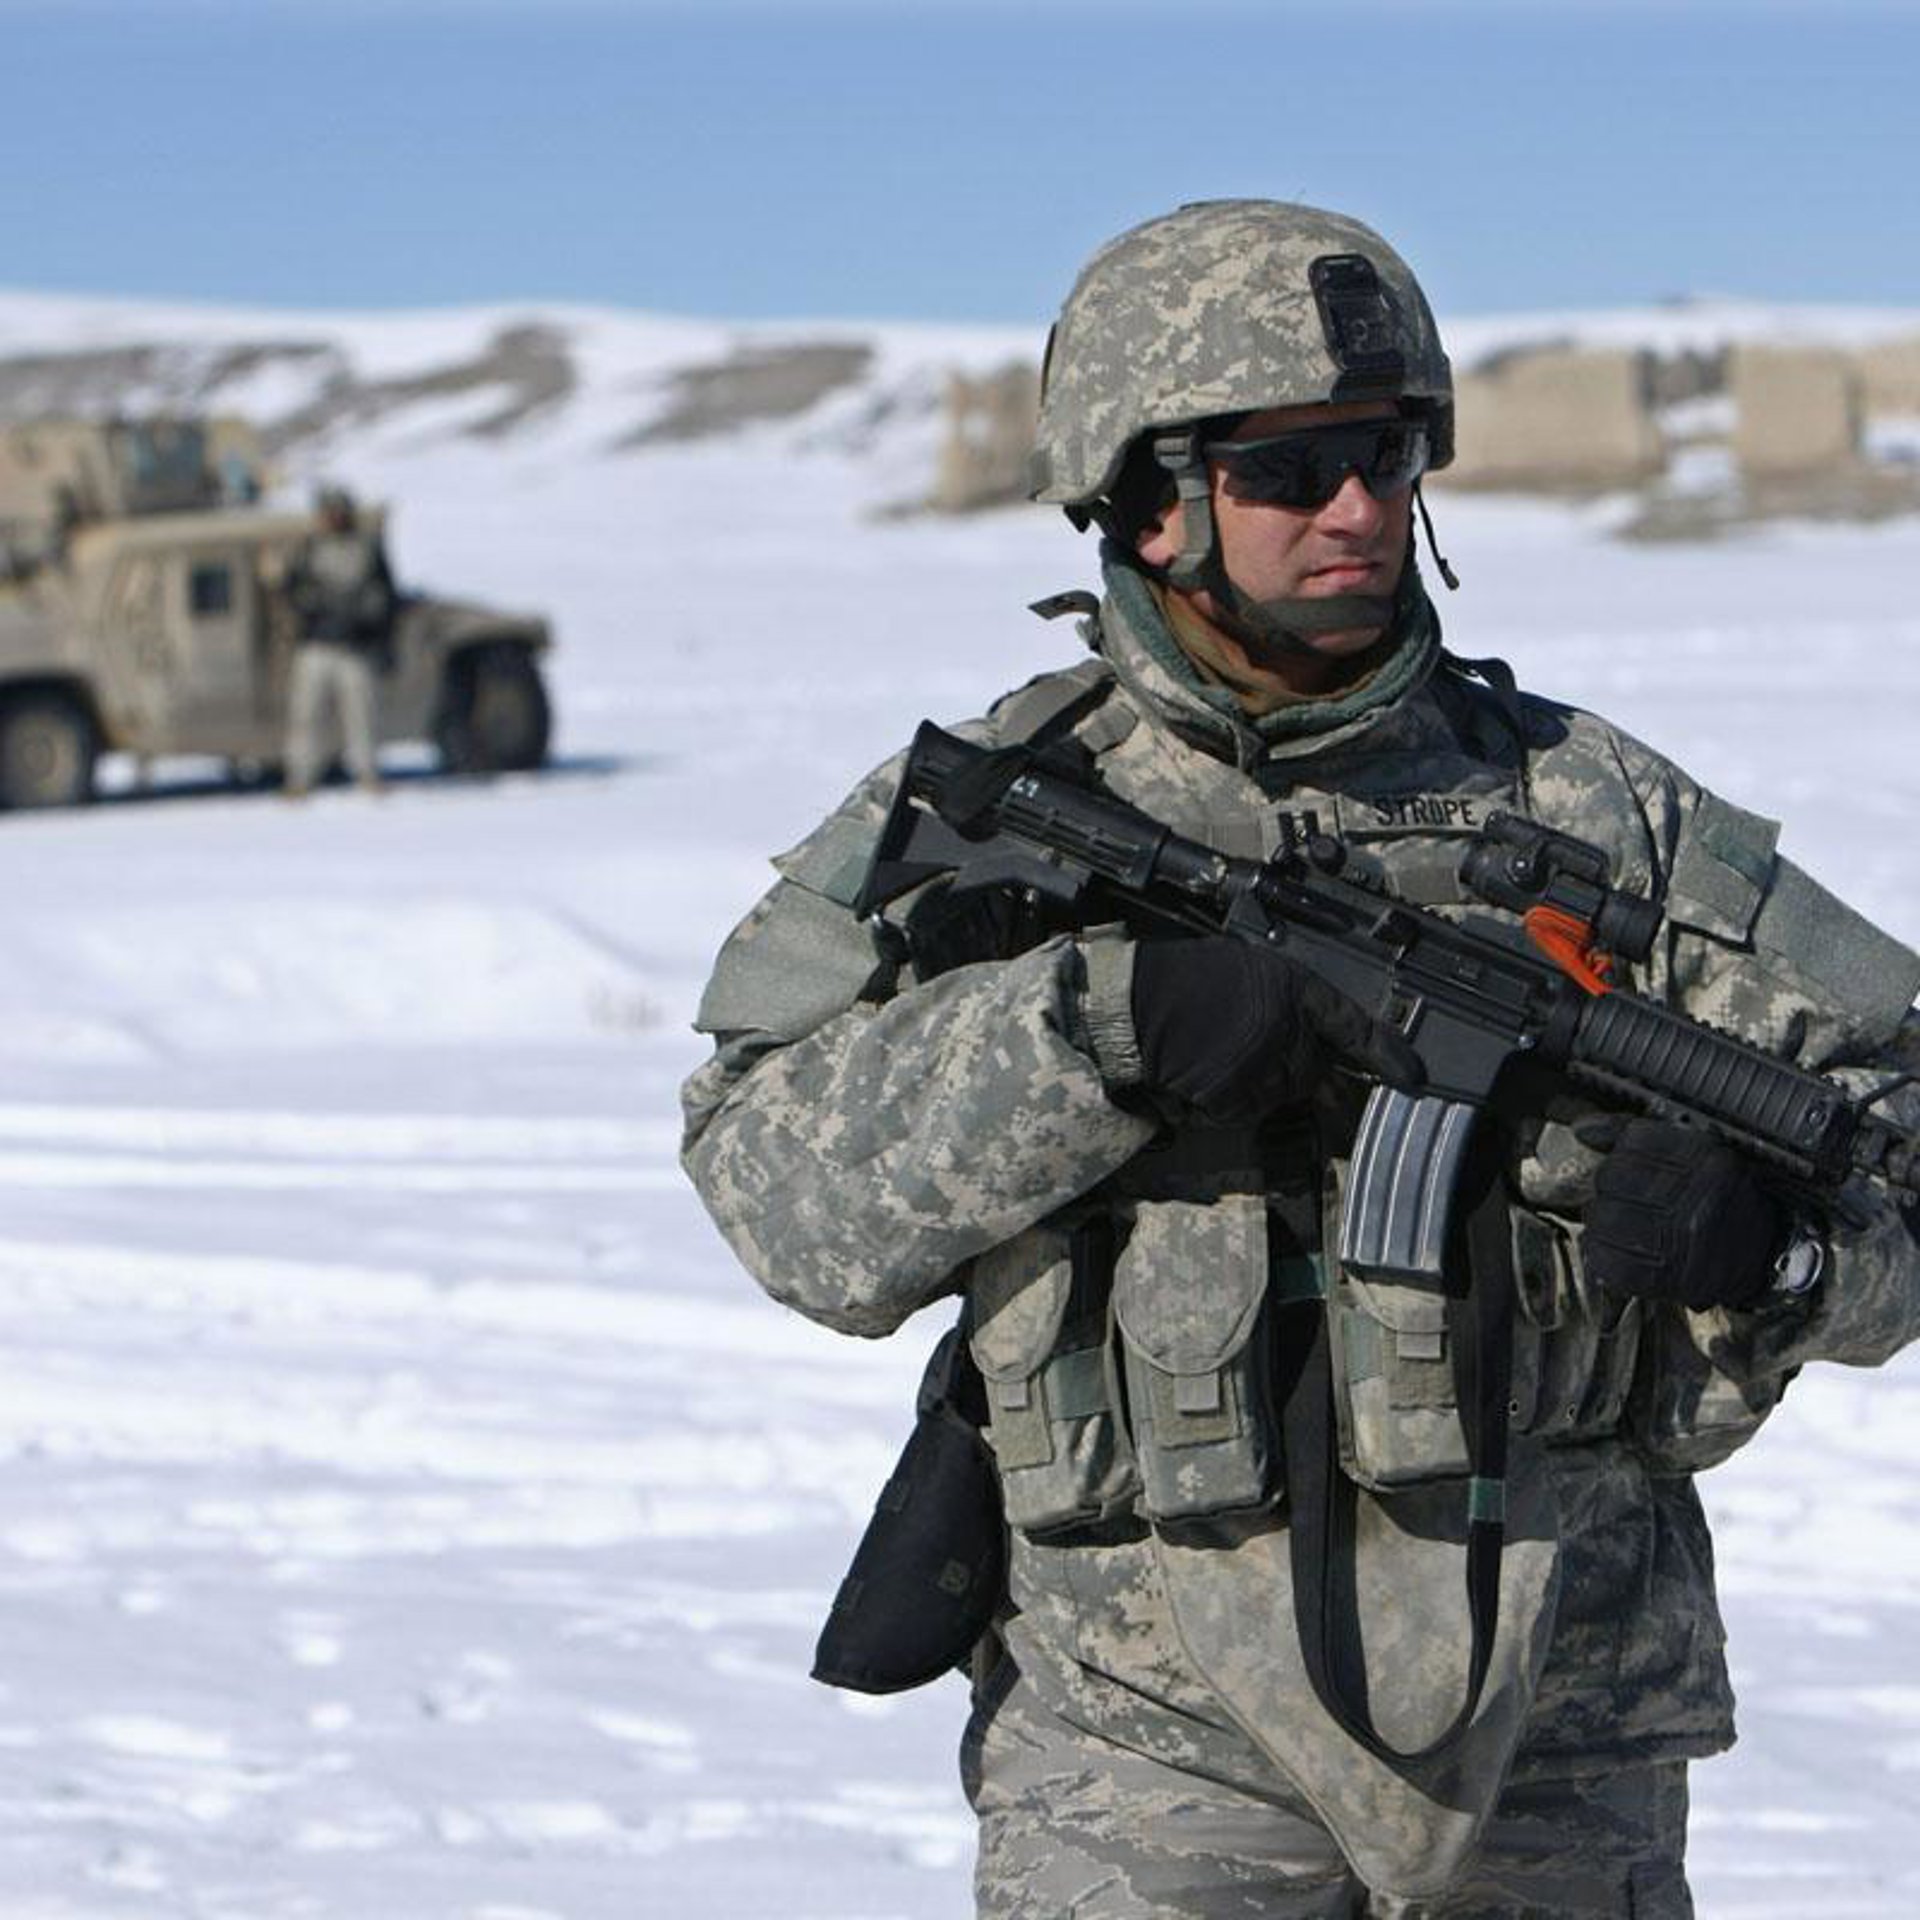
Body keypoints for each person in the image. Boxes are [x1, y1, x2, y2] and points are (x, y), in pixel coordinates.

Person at [679, 201, 1920, 1917]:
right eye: (1288, 469)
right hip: (1142, 1744)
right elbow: (780, 1198)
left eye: (1388, 455)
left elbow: (1897, 1135)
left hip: (1561, 1725)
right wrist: (1090, 1033)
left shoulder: (1595, 813)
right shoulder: (1010, 807)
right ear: (1143, 498)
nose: (1358, 510)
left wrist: (1779, 1252)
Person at [281, 483, 397, 797]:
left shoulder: (365, 548)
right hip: (317, 644)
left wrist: (368, 622)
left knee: (362, 715)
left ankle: (368, 774)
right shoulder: (309, 549)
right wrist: (313, 608)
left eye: (338, 511)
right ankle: (300, 777)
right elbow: (293, 591)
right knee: (306, 715)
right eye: (328, 512)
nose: (333, 517)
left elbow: (384, 595)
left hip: (355, 646)